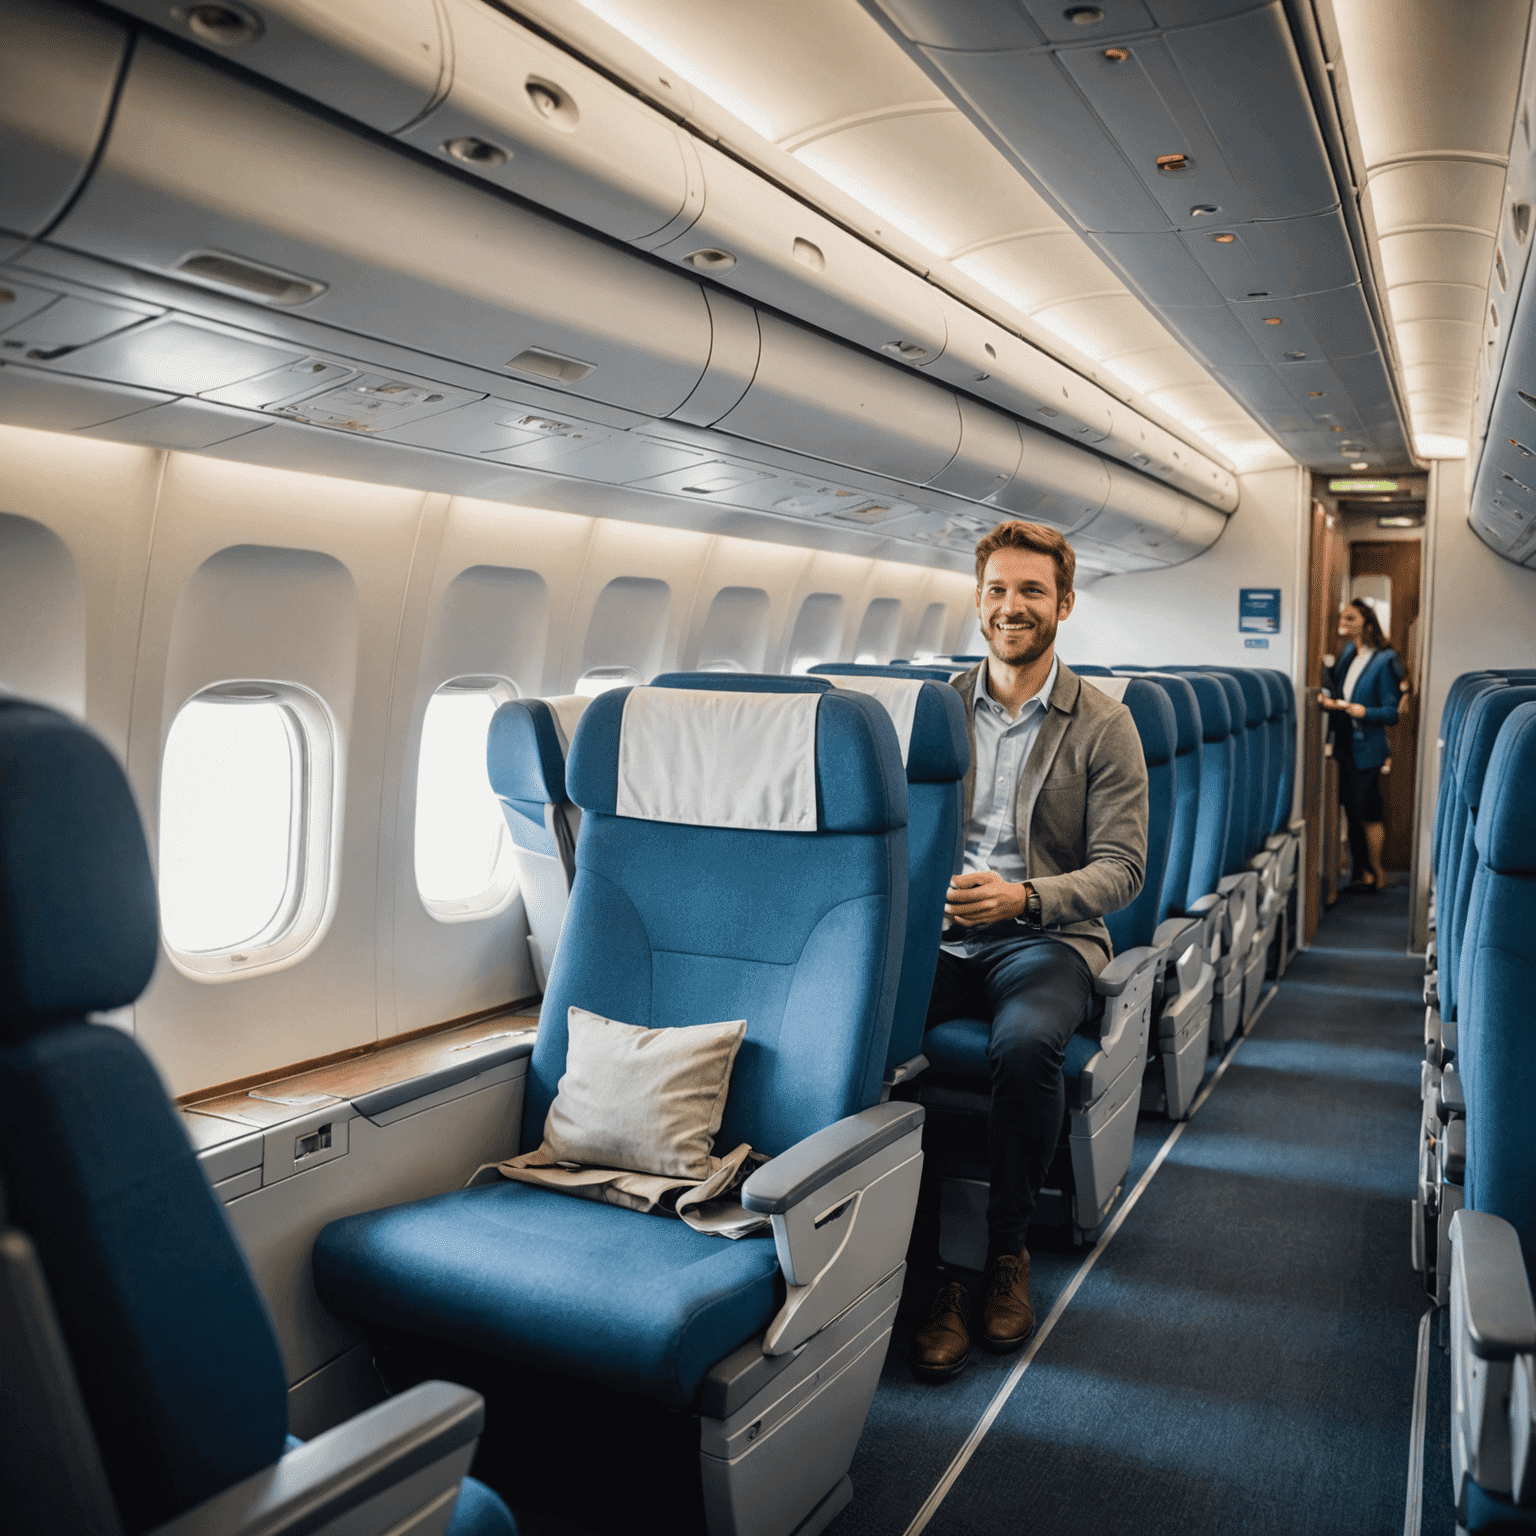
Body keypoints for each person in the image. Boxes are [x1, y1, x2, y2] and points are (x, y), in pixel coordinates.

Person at [908, 520, 1148, 1383]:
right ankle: (927, 1270)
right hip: (939, 938)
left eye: (1033, 592)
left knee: (1024, 1046)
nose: (1013, 607)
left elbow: (1123, 870)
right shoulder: (932, 713)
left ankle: (1006, 1253)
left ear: (1065, 605)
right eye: (999, 590)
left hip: (1044, 939)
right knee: (874, 1049)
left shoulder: (1105, 724)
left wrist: (1026, 897)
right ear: (978, 601)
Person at [1319, 599, 1403, 894]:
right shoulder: (1346, 654)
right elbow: (1337, 692)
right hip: (1343, 746)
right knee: (1349, 811)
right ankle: (1359, 872)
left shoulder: (1384, 659)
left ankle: (1376, 871)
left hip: (1368, 748)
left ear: (1367, 623)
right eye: (1342, 617)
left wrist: (1362, 711)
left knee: (1368, 811)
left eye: (1351, 618)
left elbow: (1392, 713)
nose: (1344, 622)